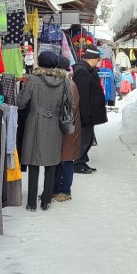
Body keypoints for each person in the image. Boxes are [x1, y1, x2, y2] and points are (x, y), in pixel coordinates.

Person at [16, 50, 72, 211]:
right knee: (51, 163)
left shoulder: (33, 79)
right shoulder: (64, 80)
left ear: (39, 63)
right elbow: (69, 101)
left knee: (34, 162)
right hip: (54, 123)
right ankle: (46, 200)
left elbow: (21, 103)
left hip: (35, 122)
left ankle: (31, 202)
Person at [72, 44, 107, 174]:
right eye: (98, 60)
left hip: (90, 113)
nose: (98, 62)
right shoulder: (82, 71)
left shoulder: (88, 69)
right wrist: (85, 114)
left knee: (89, 137)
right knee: (84, 138)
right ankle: (77, 163)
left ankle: (82, 161)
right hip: (85, 114)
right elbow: (82, 95)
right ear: (92, 59)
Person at [54, 55, 81, 202]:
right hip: (65, 127)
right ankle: (56, 189)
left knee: (66, 160)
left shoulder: (69, 85)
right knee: (59, 160)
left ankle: (65, 190)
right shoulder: (65, 83)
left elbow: (72, 107)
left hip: (69, 128)